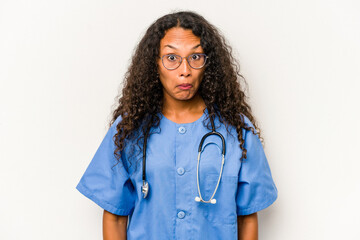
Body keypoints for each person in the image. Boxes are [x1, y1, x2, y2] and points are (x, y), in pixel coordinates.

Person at [76, 11, 278, 240]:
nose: (185, 70)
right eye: (172, 58)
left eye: (196, 57)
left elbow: (247, 217)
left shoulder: (237, 130)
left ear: (207, 64)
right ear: (155, 64)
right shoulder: (130, 129)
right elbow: (115, 216)